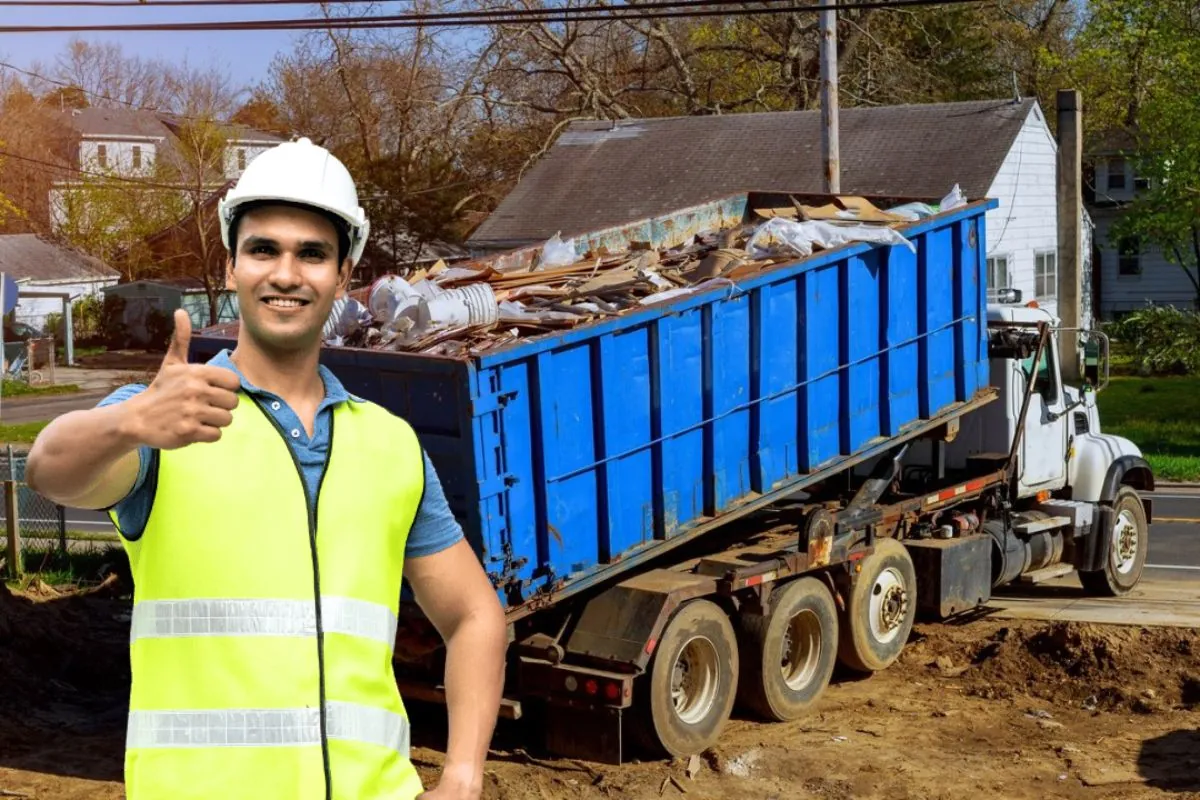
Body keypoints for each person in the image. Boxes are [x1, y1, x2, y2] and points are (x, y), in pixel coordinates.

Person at [25, 138, 507, 800]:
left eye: (312, 253)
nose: (286, 272)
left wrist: (462, 773)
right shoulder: (168, 415)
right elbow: (50, 472)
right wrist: (127, 422)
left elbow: (475, 616)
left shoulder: (390, 445)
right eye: (263, 250)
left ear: (342, 278)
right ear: (231, 268)